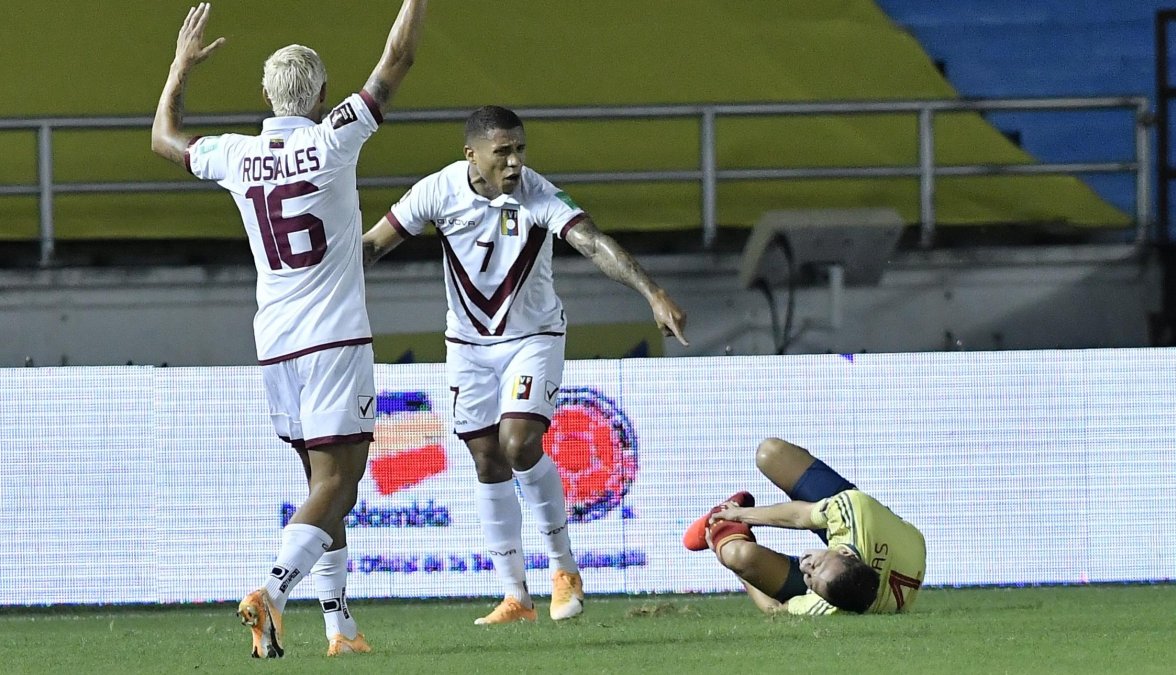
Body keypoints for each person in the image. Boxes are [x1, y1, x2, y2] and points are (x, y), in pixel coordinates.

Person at [150, 1, 428, 658]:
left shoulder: (237, 155)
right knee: (339, 484)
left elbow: (163, 136)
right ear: (324, 94)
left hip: (276, 344)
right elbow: (398, 60)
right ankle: (273, 593)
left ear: (266, 97)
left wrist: (180, 65)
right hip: (333, 338)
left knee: (325, 487)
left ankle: (341, 630)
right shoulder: (333, 136)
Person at [361, 105, 689, 624]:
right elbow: (373, 246)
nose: (514, 163)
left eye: (520, 150)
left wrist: (652, 292)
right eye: (502, 153)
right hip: (467, 344)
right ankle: (516, 595)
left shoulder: (537, 194)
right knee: (487, 459)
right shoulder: (436, 192)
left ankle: (564, 570)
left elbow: (593, 242)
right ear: (472, 155)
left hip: (533, 338)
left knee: (519, 443)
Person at [683, 437, 926, 615]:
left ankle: (719, 529)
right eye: (817, 564)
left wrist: (734, 566)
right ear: (843, 552)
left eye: (809, 578)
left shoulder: (826, 607)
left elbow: (777, 611)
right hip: (872, 528)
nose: (806, 565)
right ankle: (725, 521)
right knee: (771, 453)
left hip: (873, 555)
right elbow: (800, 516)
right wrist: (742, 514)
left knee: (738, 555)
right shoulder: (853, 510)